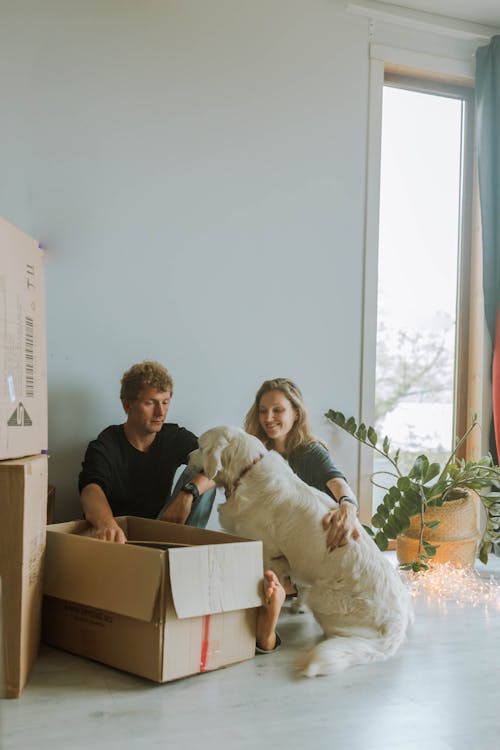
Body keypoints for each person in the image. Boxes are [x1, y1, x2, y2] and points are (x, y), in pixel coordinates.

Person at [78, 360, 216, 544]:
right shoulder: (107, 443)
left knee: (205, 473)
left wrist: (188, 493)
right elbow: (90, 490)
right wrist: (107, 525)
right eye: (151, 403)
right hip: (117, 538)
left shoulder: (174, 436)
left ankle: (186, 555)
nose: (160, 412)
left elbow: (221, 464)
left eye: (165, 402)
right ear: (128, 405)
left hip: (160, 535)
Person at [245, 377, 360, 549]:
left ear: (296, 413)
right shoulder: (257, 451)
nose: (268, 418)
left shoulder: (311, 451)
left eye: (278, 410)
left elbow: (338, 483)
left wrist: (348, 508)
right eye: (263, 411)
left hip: (317, 545)